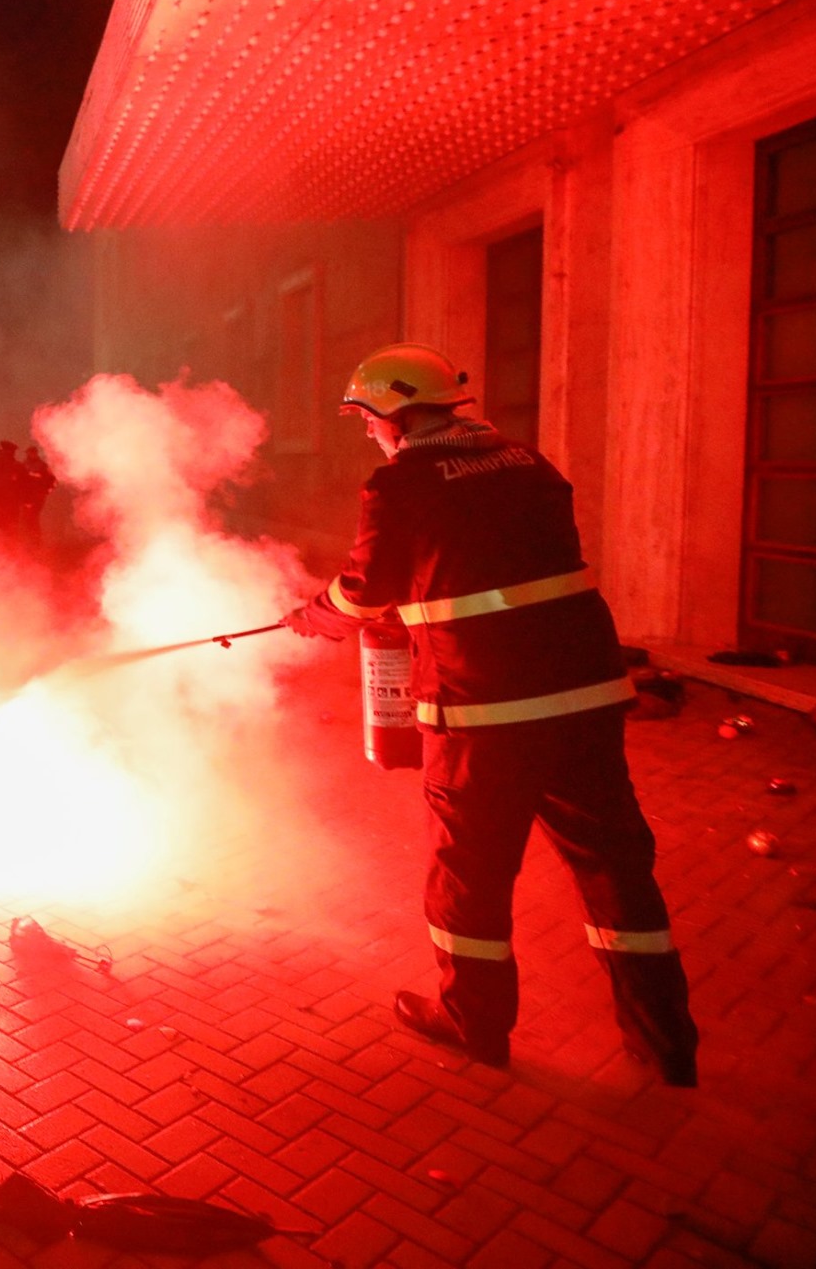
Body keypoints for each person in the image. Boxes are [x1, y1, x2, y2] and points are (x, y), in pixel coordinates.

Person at [285, 343, 698, 1085]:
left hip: (483, 711)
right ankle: (665, 1042)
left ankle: (474, 1024)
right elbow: (487, 568)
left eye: (367, 418)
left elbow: (362, 590)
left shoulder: (400, 484)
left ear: (397, 414)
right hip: (584, 698)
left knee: (468, 876)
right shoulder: (530, 465)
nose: (368, 433)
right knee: (617, 871)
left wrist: (316, 615)